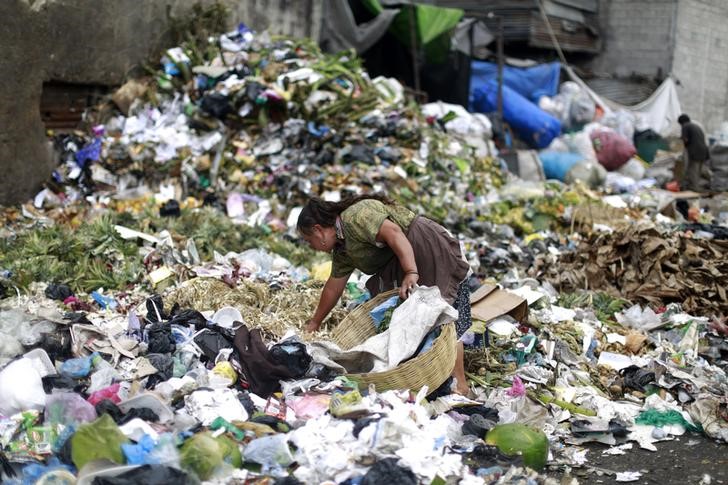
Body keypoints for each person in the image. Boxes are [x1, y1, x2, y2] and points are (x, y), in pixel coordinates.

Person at [297, 194, 473, 395]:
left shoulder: (355, 216)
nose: (311, 246)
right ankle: (432, 381)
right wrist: (315, 323)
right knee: (415, 321)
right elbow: (333, 287)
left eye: (308, 240)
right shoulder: (343, 250)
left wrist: (411, 271)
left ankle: (460, 386)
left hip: (421, 247)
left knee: (443, 315)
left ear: (318, 230)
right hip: (403, 261)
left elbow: (395, 233)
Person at [678, 114, 709, 191]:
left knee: (692, 170)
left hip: (695, 151)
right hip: (704, 150)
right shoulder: (696, 126)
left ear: (681, 122)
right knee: (698, 170)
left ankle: (695, 188)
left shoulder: (685, 126)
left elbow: (685, 139)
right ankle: (695, 185)